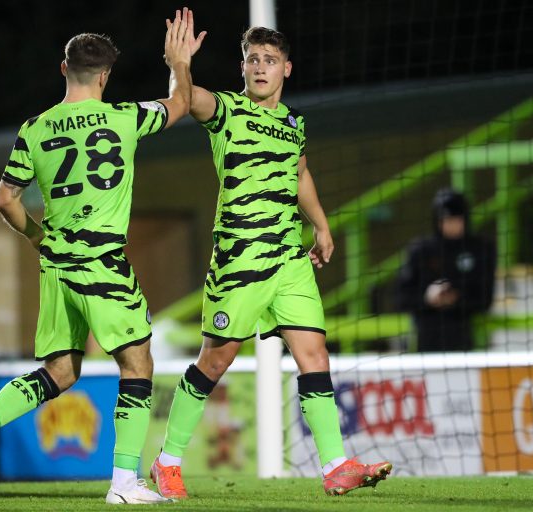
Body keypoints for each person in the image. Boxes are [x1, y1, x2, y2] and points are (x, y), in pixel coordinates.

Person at [0, 9, 195, 505]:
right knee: (138, 364)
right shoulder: (125, 117)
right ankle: (123, 485)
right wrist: (177, 61)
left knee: (59, 373)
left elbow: (5, 199)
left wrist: (37, 237)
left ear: (63, 69)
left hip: (56, 265)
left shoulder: (34, 129)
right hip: (103, 265)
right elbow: (181, 103)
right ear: (105, 76)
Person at [149, 17, 391, 499]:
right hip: (239, 261)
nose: (261, 68)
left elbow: (300, 173)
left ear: (287, 69)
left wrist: (320, 225)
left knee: (314, 354)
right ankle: (168, 460)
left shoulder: (295, 124)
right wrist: (179, 64)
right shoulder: (225, 110)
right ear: (243, 67)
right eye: (254, 60)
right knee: (215, 361)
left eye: (271, 61)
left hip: (289, 259)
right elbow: (184, 98)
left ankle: (336, 464)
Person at [396, 188, 496, 351]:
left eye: (457, 219)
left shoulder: (481, 249)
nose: (452, 225)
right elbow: (401, 298)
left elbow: (485, 298)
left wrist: (455, 298)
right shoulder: (421, 250)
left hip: (463, 340)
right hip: (427, 340)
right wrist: (428, 297)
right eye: (447, 220)